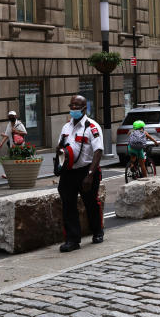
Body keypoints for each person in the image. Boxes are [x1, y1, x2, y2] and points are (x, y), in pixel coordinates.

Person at [56, 95, 105, 252]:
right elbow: (60, 146)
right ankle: (72, 239)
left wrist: (90, 174)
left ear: (84, 108)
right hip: (69, 172)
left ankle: (97, 231)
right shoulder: (66, 127)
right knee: (68, 205)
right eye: (72, 105)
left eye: (77, 106)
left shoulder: (92, 127)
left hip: (87, 171)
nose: (74, 109)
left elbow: (98, 151)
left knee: (91, 203)